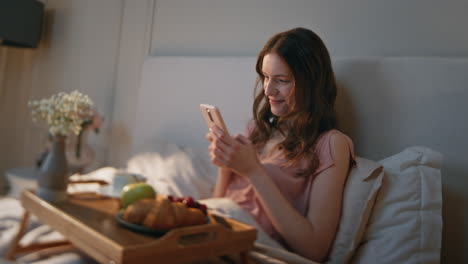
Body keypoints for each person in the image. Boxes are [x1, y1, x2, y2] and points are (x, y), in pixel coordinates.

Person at [205, 27, 355, 262]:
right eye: (265, 77)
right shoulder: (257, 131)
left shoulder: (331, 144)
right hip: (218, 236)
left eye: (282, 80)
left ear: (312, 83)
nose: (268, 90)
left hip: (252, 250)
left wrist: (253, 171)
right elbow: (219, 206)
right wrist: (226, 166)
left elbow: (314, 249)